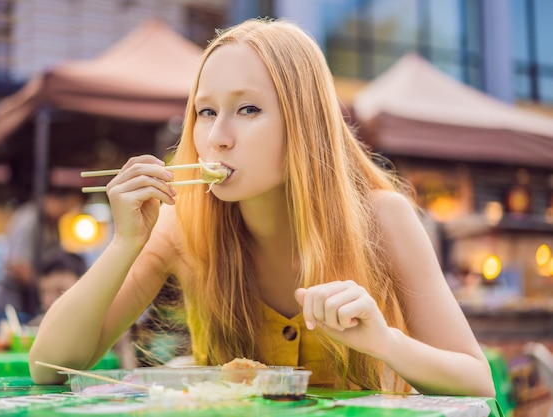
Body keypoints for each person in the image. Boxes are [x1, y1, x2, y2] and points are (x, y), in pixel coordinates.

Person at [30, 18, 494, 396]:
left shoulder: (380, 218)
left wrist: (385, 342)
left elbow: (478, 383)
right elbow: (50, 368)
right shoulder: (177, 224)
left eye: (247, 110)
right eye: (206, 112)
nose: (217, 138)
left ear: (303, 123)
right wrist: (125, 242)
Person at [0, 187, 82, 324]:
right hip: (15, 304)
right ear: (51, 200)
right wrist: (46, 285)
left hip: (32, 302)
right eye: (66, 206)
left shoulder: (52, 224)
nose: (67, 212)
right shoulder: (30, 219)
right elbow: (17, 265)